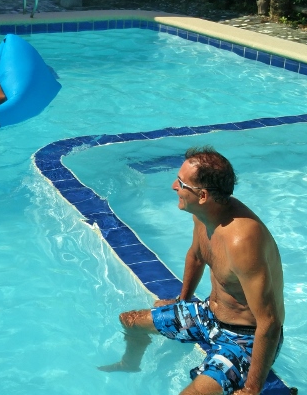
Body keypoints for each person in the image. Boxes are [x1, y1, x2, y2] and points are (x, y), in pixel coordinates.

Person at [98, 146, 285, 395]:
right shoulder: (203, 214)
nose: (174, 186)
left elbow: (270, 322)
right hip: (208, 315)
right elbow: (196, 256)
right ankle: (130, 364)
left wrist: (252, 389)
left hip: (243, 338)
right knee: (130, 321)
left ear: (203, 195)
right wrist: (182, 301)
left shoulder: (242, 241)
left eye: (181, 183)